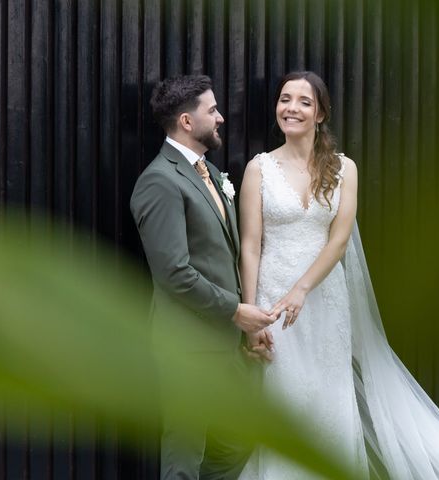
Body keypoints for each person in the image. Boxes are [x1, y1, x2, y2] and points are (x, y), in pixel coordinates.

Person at [237, 71, 439, 479]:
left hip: (323, 300)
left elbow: (338, 242)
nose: (291, 108)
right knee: (287, 399)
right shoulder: (259, 169)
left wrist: (302, 290)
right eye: (284, 99)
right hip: (274, 304)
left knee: (330, 399)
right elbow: (251, 246)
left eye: (304, 102)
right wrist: (252, 314)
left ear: (321, 113)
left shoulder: (345, 169)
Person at [130, 74, 276, 480]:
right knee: (184, 453)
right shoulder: (159, 180)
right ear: (186, 122)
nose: (221, 118)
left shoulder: (208, 171)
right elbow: (174, 272)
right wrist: (236, 311)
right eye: (212, 110)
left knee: (236, 443)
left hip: (225, 344)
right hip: (187, 343)